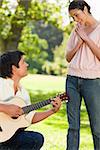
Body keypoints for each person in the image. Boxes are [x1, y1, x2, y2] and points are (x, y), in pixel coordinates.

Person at [0, 50, 62, 150]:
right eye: (23, 62)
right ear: (14, 68)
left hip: (9, 137)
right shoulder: (1, 83)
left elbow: (30, 118)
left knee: (36, 139)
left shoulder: (23, 93)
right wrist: (4, 108)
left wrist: (52, 111)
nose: (27, 64)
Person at [65, 0, 100, 150]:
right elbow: (68, 57)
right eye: (73, 17)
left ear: (85, 9)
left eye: (77, 15)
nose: (76, 20)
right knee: (73, 126)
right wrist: (79, 41)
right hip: (72, 79)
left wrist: (86, 38)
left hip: (92, 82)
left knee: (98, 126)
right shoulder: (76, 30)